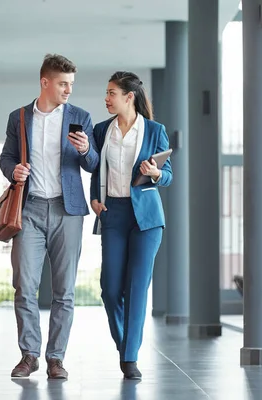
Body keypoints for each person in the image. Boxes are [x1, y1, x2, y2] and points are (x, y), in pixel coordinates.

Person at [0, 54, 99, 380]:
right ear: (45, 82)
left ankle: (56, 358)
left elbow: (94, 163)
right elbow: (6, 157)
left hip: (67, 211)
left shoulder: (80, 117)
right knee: (24, 286)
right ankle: (29, 355)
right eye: (63, 83)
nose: (69, 89)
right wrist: (12, 170)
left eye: (71, 84)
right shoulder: (20, 118)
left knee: (64, 291)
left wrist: (86, 150)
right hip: (28, 210)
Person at [90, 71, 172, 380]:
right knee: (110, 290)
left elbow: (169, 175)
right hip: (113, 212)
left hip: (147, 219)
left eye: (112, 93)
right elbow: (95, 170)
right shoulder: (101, 131)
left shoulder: (154, 130)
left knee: (137, 288)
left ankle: (129, 356)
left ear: (129, 97)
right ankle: (125, 342)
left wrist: (155, 173)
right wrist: (94, 201)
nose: (106, 98)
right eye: (107, 92)